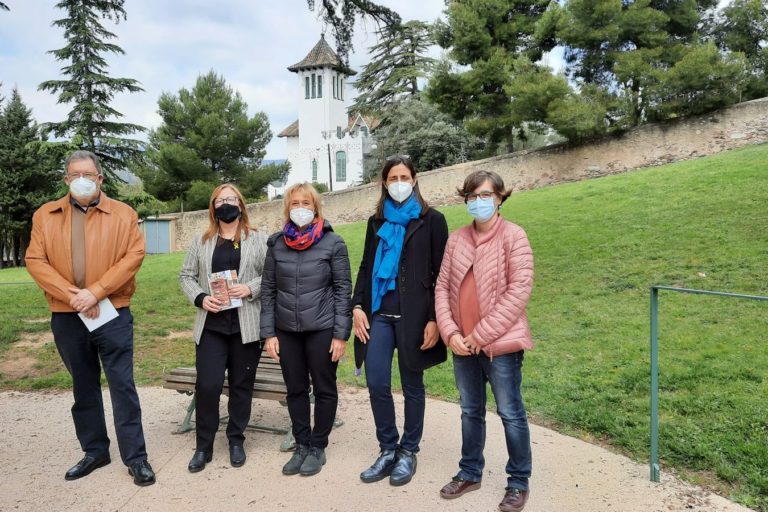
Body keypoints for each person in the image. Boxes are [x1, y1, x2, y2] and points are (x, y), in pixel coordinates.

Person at [25, 150, 155, 486]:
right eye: (75, 175)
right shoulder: (45, 215)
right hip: (67, 315)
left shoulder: (124, 214)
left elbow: (133, 256)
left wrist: (96, 292)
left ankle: (136, 457)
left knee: (122, 386)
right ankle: (95, 451)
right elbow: (36, 260)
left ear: (100, 178)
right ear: (66, 179)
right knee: (83, 386)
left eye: (88, 174)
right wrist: (74, 296)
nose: (81, 180)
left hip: (113, 312)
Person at [434, 170, 534, 512]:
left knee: (511, 413)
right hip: (462, 345)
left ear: (500, 197)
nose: (479, 202)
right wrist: (451, 333)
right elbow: (442, 288)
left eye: (486, 195)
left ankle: (518, 482)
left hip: (499, 346)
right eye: (473, 196)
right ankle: (469, 472)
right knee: (469, 411)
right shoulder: (456, 240)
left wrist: (480, 336)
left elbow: (518, 292)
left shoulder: (514, 237)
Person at [352, 155, 449, 487]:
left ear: (414, 179)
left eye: (404, 177)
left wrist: (435, 319)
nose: (398, 183)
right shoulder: (375, 222)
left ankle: (408, 451)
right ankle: (388, 448)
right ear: (384, 183)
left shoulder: (432, 220)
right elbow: (366, 266)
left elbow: (442, 275)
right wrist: (357, 305)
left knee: (412, 385)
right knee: (377, 383)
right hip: (379, 314)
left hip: (415, 317)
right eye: (392, 178)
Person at [260, 182, 352, 477]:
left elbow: (343, 291)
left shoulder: (333, 243)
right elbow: (268, 290)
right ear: (287, 208)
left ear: (316, 207)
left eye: (306, 203)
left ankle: (318, 446)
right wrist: (269, 334)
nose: (300, 208)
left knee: (325, 388)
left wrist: (340, 334)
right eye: (295, 203)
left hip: (322, 328)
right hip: (286, 329)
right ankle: (301, 444)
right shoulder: (276, 244)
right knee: (296, 390)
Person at [179, 184, 268, 472]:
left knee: (241, 386)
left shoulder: (258, 239)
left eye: (231, 199)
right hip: (212, 326)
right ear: (213, 207)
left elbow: (271, 275)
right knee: (208, 385)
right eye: (220, 200)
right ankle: (203, 446)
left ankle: (236, 440)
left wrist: (250, 287)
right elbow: (186, 276)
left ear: (241, 205)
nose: (226, 204)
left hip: (246, 326)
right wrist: (201, 298)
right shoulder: (202, 240)